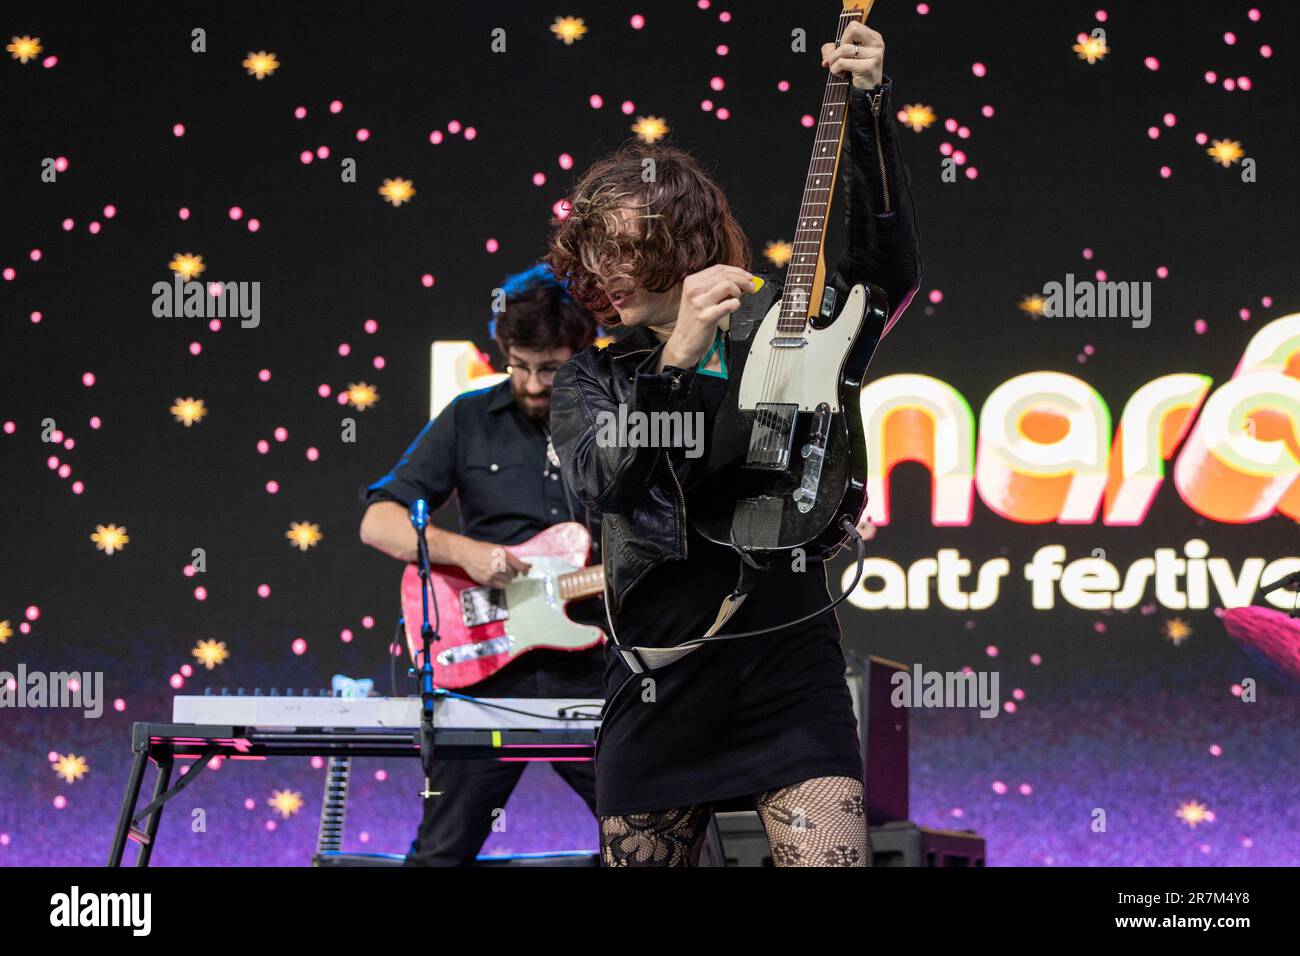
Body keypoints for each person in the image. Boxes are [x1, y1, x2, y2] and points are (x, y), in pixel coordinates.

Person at [546, 22, 921, 866]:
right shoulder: (591, 380)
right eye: (594, 254)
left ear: (681, 244)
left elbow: (883, 269)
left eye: (627, 251)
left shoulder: (777, 330)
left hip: (789, 662)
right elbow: (606, 484)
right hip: (661, 673)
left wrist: (868, 110)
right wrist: (675, 361)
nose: (605, 273)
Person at [360, 264, 606, 865]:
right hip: (486, 670)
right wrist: (465, 553)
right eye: (518, 365)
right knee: (442, 851)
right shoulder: (470, 417)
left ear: (583, 351)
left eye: (548, 367)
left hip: (596, 667)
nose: (530, 382)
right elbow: (378, 522)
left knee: (651, 836)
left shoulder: (615, 420)